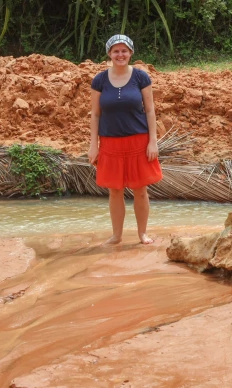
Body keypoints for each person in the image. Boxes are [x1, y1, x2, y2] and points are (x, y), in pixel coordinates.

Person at [88, 34, 163, 245]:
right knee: (115, 191)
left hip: (138, 141)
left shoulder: (141, 77)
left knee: (140, 190)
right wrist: (94, 145)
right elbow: (95, 114)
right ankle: (117, 235)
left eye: (124, 51)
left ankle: (142, 234)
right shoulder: (100, 80)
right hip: (110, 142)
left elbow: (150, 110)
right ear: (109, 54)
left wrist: (153, 141)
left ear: (130, 53)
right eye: (116, 51)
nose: (120, 55)